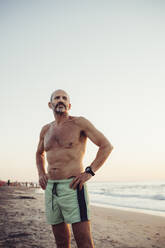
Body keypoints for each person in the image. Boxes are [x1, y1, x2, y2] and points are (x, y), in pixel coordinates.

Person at [36, 89, 113, 248]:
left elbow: (106, 146)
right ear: (50, 105)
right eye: (57, 97)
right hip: (51, 189)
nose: (61, 100)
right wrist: (41, 173)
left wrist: (89, 172)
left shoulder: (79, 123)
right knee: (61, 241)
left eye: (64, 98)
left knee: (84, 242)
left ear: (69, 105)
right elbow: (39, 154)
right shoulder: (45, 130)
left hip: (73, 187)